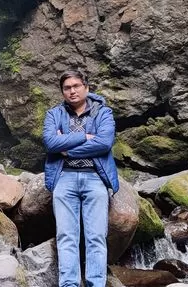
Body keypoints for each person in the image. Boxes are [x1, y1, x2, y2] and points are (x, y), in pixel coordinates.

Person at [42, 70, 119, 287]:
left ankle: (96, 284)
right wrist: (84, 137)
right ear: (62, 92)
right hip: (64, 178)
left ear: (86, 87)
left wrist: (67, 149)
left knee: (96, 237)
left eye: (76, 86)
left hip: (95, 178)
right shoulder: (53, 114)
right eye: (67, 88)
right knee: (66, 236)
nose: (72, 91)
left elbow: (104, 143)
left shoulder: (103, 112)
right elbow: (50, 143)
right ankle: (69, 284)